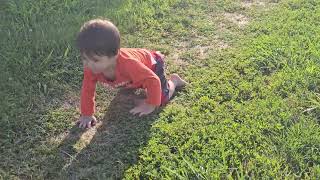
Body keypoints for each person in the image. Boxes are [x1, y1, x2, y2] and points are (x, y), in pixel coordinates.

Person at [76, 18, 186, 128]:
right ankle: (135, 83)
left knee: (160, 98)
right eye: (85, 58)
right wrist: (86, 114)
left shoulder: (129, 64)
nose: (89, 64)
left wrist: (150, 104)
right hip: (135, 76)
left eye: (95, 60)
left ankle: (174, 81)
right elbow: (87, 89)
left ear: (114, 55)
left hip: (152, 65)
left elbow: (153, 80)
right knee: (130, 82)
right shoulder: (91, 68)